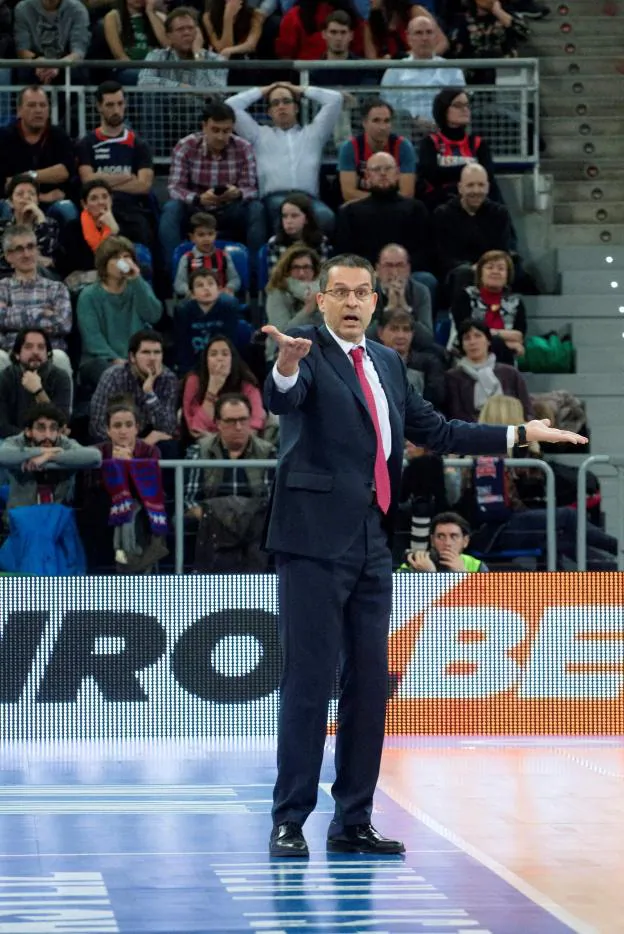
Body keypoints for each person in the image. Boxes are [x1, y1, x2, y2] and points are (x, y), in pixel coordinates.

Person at [259, 252, 586, 858]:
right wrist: (283, 365)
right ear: (322, 300)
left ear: (376, 302)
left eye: (363, 293)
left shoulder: (387, 362)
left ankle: (353, 818)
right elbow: (283, 398)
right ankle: (289, 819)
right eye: (341, 293)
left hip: (373, 541)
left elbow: (440, 432)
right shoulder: (301, 346)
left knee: (370, 685)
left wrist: (520, 434)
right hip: (310, 540)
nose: (353, 302)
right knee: (308, 681)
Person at [225, 81, 342, 251]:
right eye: (275, 103)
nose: (281, 106)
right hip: (273, 198)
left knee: (326, 217)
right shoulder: (257, 135)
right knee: (281, 214)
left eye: (287, 101)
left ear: (296, 108)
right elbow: (230, 106)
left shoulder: (314, 133)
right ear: (270, 112)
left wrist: (300, 90)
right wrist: (264, 89)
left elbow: (335, 99)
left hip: (307, 199)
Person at [161, 100, 259, 270]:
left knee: (256, 209)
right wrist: (199, 199)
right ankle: (173, 274)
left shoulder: (243, 148)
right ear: (204, 126)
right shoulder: (186, 146)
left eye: (226, 131)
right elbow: (174, 188)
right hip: (196, 210)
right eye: (215, 130)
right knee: (171, 209)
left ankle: (254, 275)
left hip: (230, 209)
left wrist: (238, 193)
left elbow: (251, 188)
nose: (221, 136)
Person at [334, 152, 436, 302]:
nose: (382, 173)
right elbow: (345, 254)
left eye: (388, 169)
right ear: (367, 176)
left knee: (427, 281)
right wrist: (378, 271)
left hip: (409, 274)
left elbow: (427, 250)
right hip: (368, 275)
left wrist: (400, 270)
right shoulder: (350, 212)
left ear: (397, 174)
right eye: (376, 170)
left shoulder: (416, 209)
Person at [86, 395, 168, 573]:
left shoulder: (151, 451)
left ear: (137, 428)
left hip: (143, 509)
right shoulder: (97, 452)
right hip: (105, 509)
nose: (123, 431)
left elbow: (151, 488)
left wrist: (130, 465)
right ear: (108, 430)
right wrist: (113, 467)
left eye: (128, 425)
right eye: (117, 426)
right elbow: (93, 487)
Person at [77, 81, 156, 249]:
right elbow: (88, 182)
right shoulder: (86, 143)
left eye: (120, 104)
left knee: (142, 238)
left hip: (131, 210)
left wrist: (101, 180)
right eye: (110, 105)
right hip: (96, 211)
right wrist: (127, 177)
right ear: (99, 106)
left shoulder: (139, 144)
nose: (116, 110)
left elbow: (143, 186)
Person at [77, 236, 162, 390]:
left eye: (126, 257)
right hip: (100, 359)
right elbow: (93, 339)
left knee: (164, 374)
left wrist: (137, 280)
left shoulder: (138, 287)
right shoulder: (89, 295)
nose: (123, 262)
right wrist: (117, 360)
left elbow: (154, 315)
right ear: (104, 263)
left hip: (137, 357)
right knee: (116, 374)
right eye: (116, 258)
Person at [0, 403, 101, 511]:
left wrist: (49, 456)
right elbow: (3, 455)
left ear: (59, 432)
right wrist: (44, 451)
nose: (47, 435)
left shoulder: (64, 443)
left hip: (59, 518)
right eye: (41, 428)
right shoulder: (17, 442)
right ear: (28, 431)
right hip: (22, 517)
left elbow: (95, 457)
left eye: (53, 428)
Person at [0, 86, 77, 228]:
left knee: (67, 208)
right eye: (31, 105)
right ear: (19, 111)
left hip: (51, 203)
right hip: (12, 203)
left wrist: (25, 177)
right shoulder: (4, 137)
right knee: (4, 208)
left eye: (43, 105)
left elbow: (64, 171)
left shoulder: (59, 136)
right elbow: (4, 184)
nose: (38, 110)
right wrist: (35, 197)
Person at [89, 329, 178, 451]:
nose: (152, 358)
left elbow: (168, 429)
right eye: (146, 352)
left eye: (157, 352)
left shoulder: (168, 379)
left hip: (149, 437)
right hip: (116, 439)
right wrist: (141, 444)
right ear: (132, 357)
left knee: (169, 446)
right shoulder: (113, 377)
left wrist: (149, 393)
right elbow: (98, 427)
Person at [0, 225, 72, 372]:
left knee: (60, 357)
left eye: (30, 247)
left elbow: (63, 324)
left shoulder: (57, 288)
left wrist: (11, 314)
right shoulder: (2, 288)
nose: (26, 254)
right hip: (10, 354)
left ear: (37, 250)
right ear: (8, 256)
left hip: (49, 354)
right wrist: (41, 313)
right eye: (19, 249)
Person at [434, 163, 514, 295]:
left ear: (488, 187)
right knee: (464, 273)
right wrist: (474, 268)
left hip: (490, 268)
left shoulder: (499, 213)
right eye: (470, 185)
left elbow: (501, 251)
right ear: (460, 188)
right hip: (456, 273)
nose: (476, 191)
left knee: (505, 270)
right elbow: (443, 257)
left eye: (481, 185)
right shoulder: (443, 214)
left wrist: (484, 268)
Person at [417, 87, 498, 212]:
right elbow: (432, 175)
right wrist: (471, 169)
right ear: (443, 110)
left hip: (474, 201)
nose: (465, 109)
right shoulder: (430, 143)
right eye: (458, 105)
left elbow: (487, 175)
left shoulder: (478, 144)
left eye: (466, 105)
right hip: (440, 204)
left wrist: (448, 173)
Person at [380, 15, 464, 128]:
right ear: (408, 38)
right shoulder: (394, 71)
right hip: (407, 130)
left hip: (443, 129)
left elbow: (459, 107)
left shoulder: (452, 70)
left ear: (436, 37)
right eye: (418, 33)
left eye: (429, 32)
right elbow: (388, 109)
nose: (424, 38)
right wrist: (413, 121)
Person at [445, 320, 533, 423]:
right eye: (467, 338)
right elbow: (456, 415)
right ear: (462, 345)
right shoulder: (453, 377)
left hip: (511, 430)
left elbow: (527, 411)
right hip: (473, 433)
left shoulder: (510, 373)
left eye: (478, 336)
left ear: (488, 341)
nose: (472, 342)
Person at [182, 333, 265, 439]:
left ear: (232, 359)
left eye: (225, 354)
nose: (219, 358)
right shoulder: (194, 381)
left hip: (242, 442)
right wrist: (212, 389)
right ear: (206, 360)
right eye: (213, 354)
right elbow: (196, 428)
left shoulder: (247, 384)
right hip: (205, 444)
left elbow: (254, 426)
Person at [451, 249, 526, 364]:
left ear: (507, 275)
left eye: (501, 268)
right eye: (490, 267)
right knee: (497, 343)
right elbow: (466, 331)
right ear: (480, 273)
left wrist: (492, 335)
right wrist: (508, 341)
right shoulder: (465, 296)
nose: (495, 271)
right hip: (468, 355)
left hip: (504, 361)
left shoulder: (515, 302)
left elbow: (519, 336)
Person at [337, 98, 416, 203]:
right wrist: (379, 202)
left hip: (396, 207)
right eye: (376, 121)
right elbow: (349, 193)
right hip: (362, 207)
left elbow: (407, 193)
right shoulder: (350, 148)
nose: (382, 127)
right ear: (364, 123)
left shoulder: (403, 146)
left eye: (386, 121)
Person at [174, 269, 250, 374]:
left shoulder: (229, 308)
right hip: (195, 366)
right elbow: (183, 348)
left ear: (219, 290)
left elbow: (232, 345)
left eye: (211, 283)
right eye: (200, 285)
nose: (206, 288)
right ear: (192, 294)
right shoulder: (183, 311)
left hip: (225, 365)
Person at [0, 328, 72, 438]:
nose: (35, 352)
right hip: (14, 443)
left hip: (52, 442)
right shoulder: (5, 378)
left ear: (47, 354)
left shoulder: (60, 377)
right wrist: (33, 437)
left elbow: (61, 425)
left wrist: (39, 392)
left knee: (92, 455)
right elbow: (2, 425)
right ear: (17, 354)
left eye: (41, 347)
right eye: (28, 347)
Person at [137, 7, 227, 90]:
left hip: (200, 107)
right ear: (169, 36)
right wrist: (181, 87)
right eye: (180, 29)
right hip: (168, 105)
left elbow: (215, 94)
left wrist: (198, 54)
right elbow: (144, 82)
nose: (186, 33)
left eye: (190, 28)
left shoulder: (216, 59)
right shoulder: (157, 56)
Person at [375, 308, 446, 409]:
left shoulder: (428, 364)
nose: (401, 335)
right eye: (394, 329)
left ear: (413, 334)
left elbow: (435, 401)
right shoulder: (370, 364)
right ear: (380, 332)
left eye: (406, 329)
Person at [13, 0, 90, 88]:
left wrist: (58, 65)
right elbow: (22, 49)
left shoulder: (77, 9)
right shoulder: (23, 8)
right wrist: (37, 61)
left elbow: (78, 51)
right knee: (24, 70)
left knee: (78, 70)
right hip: (36, 60)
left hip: (65, 60)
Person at [265, 246, 321, 361]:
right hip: (282, 354)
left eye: (306, 267)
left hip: (317, 355)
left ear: (315, 271)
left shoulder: (323, 293)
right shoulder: (277, 293)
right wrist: (308, 309)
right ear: (287, 271)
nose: (301, 273)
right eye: (296, 268)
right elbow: (282, 334)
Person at [372, 243, 433, 346]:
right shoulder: (368, 292)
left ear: (408, 269)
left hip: (413, 353)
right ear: (378, 269)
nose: (394, 272)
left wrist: (406, 309)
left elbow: (426, 339)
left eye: (400, 266)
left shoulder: (421, 291)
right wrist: (388, 310)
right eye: (388, 266)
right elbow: (361, 337)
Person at [0, 174, 60, 277]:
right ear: (10, 202)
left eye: (31, 194)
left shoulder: (50, 224)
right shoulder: (2, 227)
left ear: (37, 200)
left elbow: (49, 254)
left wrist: (41, 219)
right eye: (20, 194)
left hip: (43, 277)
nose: (26, 197)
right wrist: (36, 259)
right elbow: (2, 261)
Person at [173, 212, 241, 299]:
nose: (206, 239)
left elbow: (235, 279)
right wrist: (189, 292)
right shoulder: (187, 258)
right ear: (192, 237)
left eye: (210, 234)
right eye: (201, 235)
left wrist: (229, 288)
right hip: (196, 299)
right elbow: (179, 283)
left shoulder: (224, 256)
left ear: (215, 235)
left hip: (219, 297)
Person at [103, 0, 167, 85]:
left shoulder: (160, 17)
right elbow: (120, 56)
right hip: (127, 68)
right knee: (145, 78)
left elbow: (167, 45)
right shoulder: (113, 17)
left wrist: (150, 12)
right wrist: (146, 72)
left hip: (157, 68)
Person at [400, 510, 488, 572]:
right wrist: (427, 578)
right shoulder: (414, 563)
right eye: (440, 536)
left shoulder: (477, 566)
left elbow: (488, 598)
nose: (447, 543)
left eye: (454, 536)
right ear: (432, 540)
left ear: (465, 541)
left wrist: (463, 575)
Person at [266, 193, 331, 275]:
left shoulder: (320, 241)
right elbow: (275, 278)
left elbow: (322, 276)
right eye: (285, 216)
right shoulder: (274, 243)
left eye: (294, 216)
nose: (288, 221)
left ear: (306, 219)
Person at [308, 10, 377, 88]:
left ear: (351, 35)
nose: (339, 38)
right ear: (324, 34)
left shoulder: (364, 69)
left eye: (343, 32)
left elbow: (368, 97)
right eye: (333, 32)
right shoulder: (313, 72)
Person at [275, 0, 365, 59]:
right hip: (306, 76)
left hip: (349, 73)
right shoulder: (294, 15)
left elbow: (359, 48)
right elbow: (286, 53)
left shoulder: (353, 18)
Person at [364, 1, 447, 59]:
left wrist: (414, 56)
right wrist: (391, 61)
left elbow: (442, 43)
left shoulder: (414, 11)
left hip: (421, 65)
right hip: (389, 73)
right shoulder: (370, 24)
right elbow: (372, 59)